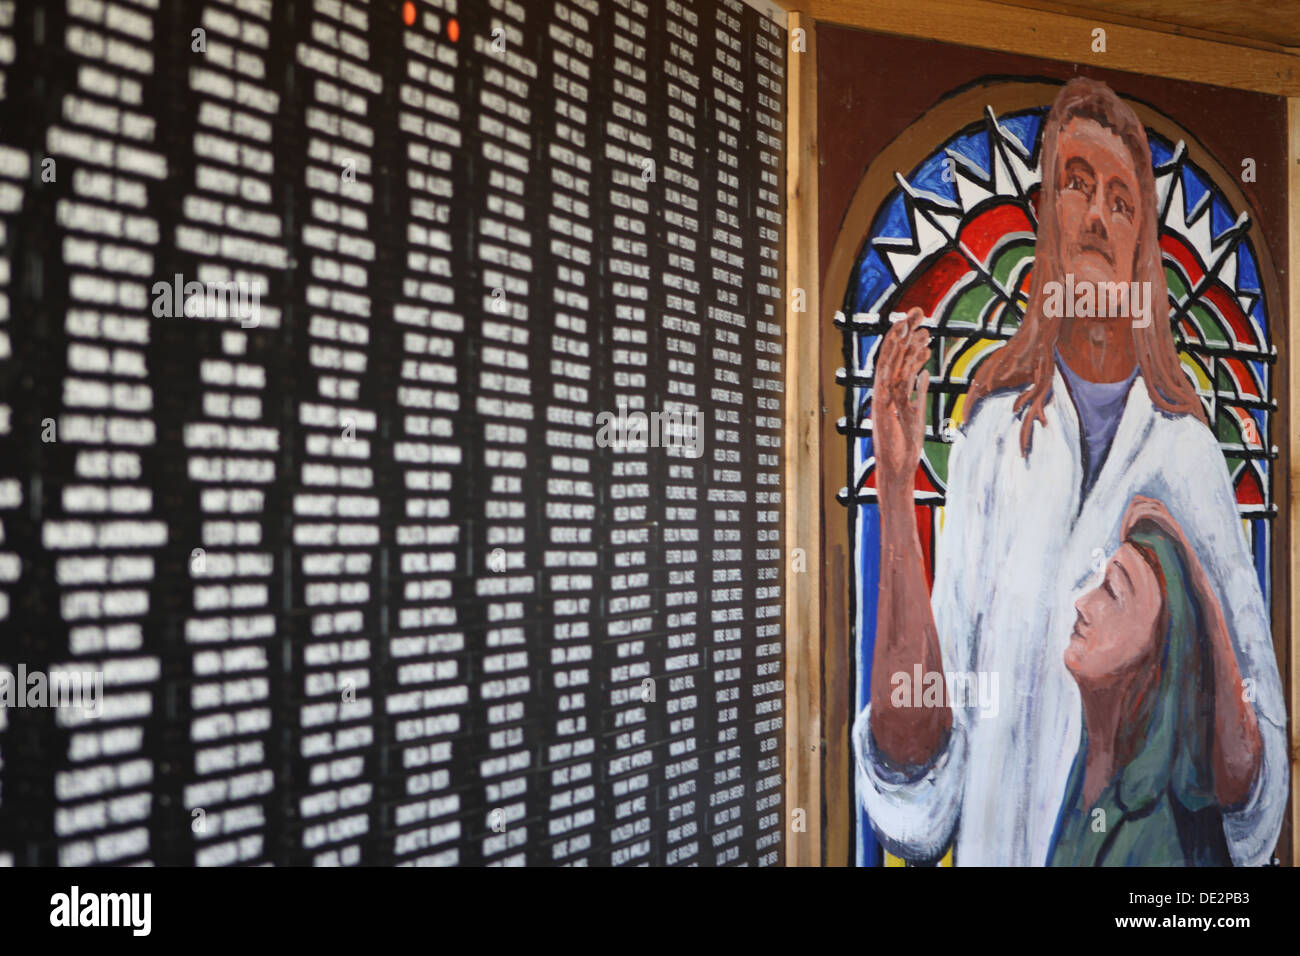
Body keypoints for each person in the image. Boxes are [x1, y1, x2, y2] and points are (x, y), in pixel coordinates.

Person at [855, 77, 1286, 866]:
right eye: (1075, 187)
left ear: (1141, 253)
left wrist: (1189, 579)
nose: (1095, 215)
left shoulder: (1190, 455)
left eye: (1121, 202)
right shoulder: (989, 441)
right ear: (1045, 223)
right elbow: (921, 770)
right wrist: (893, 477)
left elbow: (1256, 802)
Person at [1048, 496, 1243, 866]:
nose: (1082, 603)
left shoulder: (1164, 832)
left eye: (1112, 592)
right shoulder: (1093, 768)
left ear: (1153, 657)